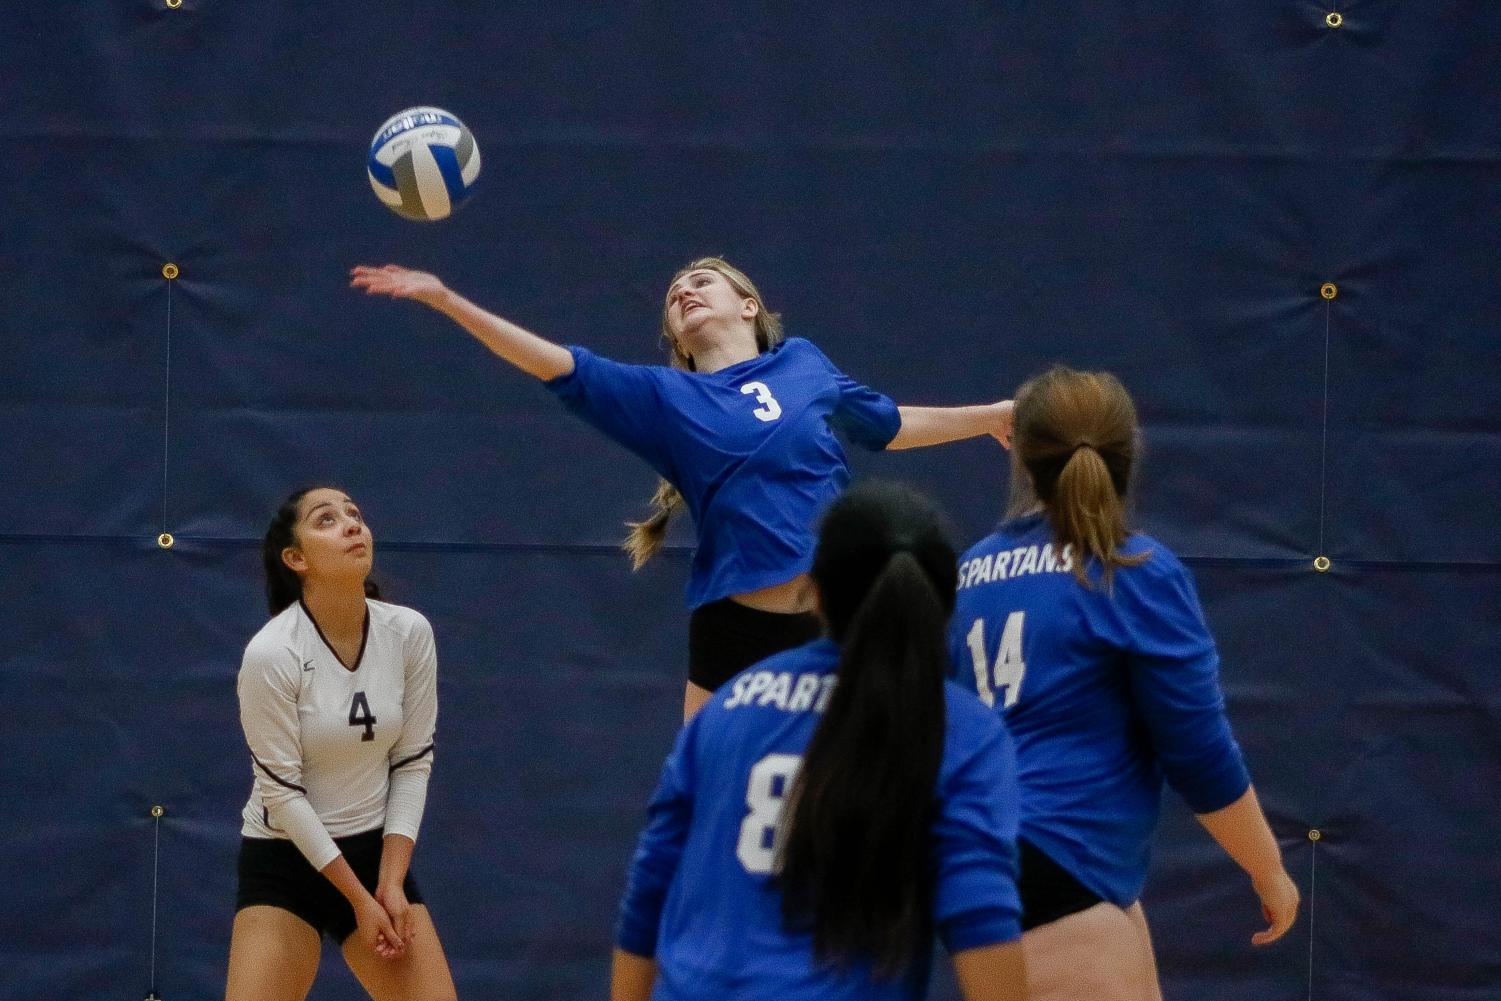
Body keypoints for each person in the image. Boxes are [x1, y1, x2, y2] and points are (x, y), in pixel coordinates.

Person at [351, 258, 1013, 719]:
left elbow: (889, 423)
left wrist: (990, 416)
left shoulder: (803, 362)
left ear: (748, 306)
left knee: (868, 789)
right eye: (674, 294)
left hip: (839, 612)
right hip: (736, 624)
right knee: (705, 807)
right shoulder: (667, 396)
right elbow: (553, 363)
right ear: (674, 336)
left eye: (702, 282)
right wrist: (446, 300)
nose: (685, 292)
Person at [948, 367, 1300, 1001]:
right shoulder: (1131, 569)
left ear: (1020, 455)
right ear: (1130, 453)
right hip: (1059, 858)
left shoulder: (970, 571)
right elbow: (1197, 751)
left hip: (989, 857)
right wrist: (1268, 869)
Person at [611, 482, 1027, 1001]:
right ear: (943, 599)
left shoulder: (729, 706)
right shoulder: (960, 728)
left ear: (816, 591)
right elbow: (982, 921)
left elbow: (649, 894)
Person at [227, 487, 457, 1001]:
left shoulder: (409, 632)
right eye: (326, 520)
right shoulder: (272, 653)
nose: (352, 524)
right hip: (285, 862)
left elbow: (414, 762)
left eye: (355, 513)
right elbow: (282, 796)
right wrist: (358, 898)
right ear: (296, 558)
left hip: (377, 859)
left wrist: (390, 883)